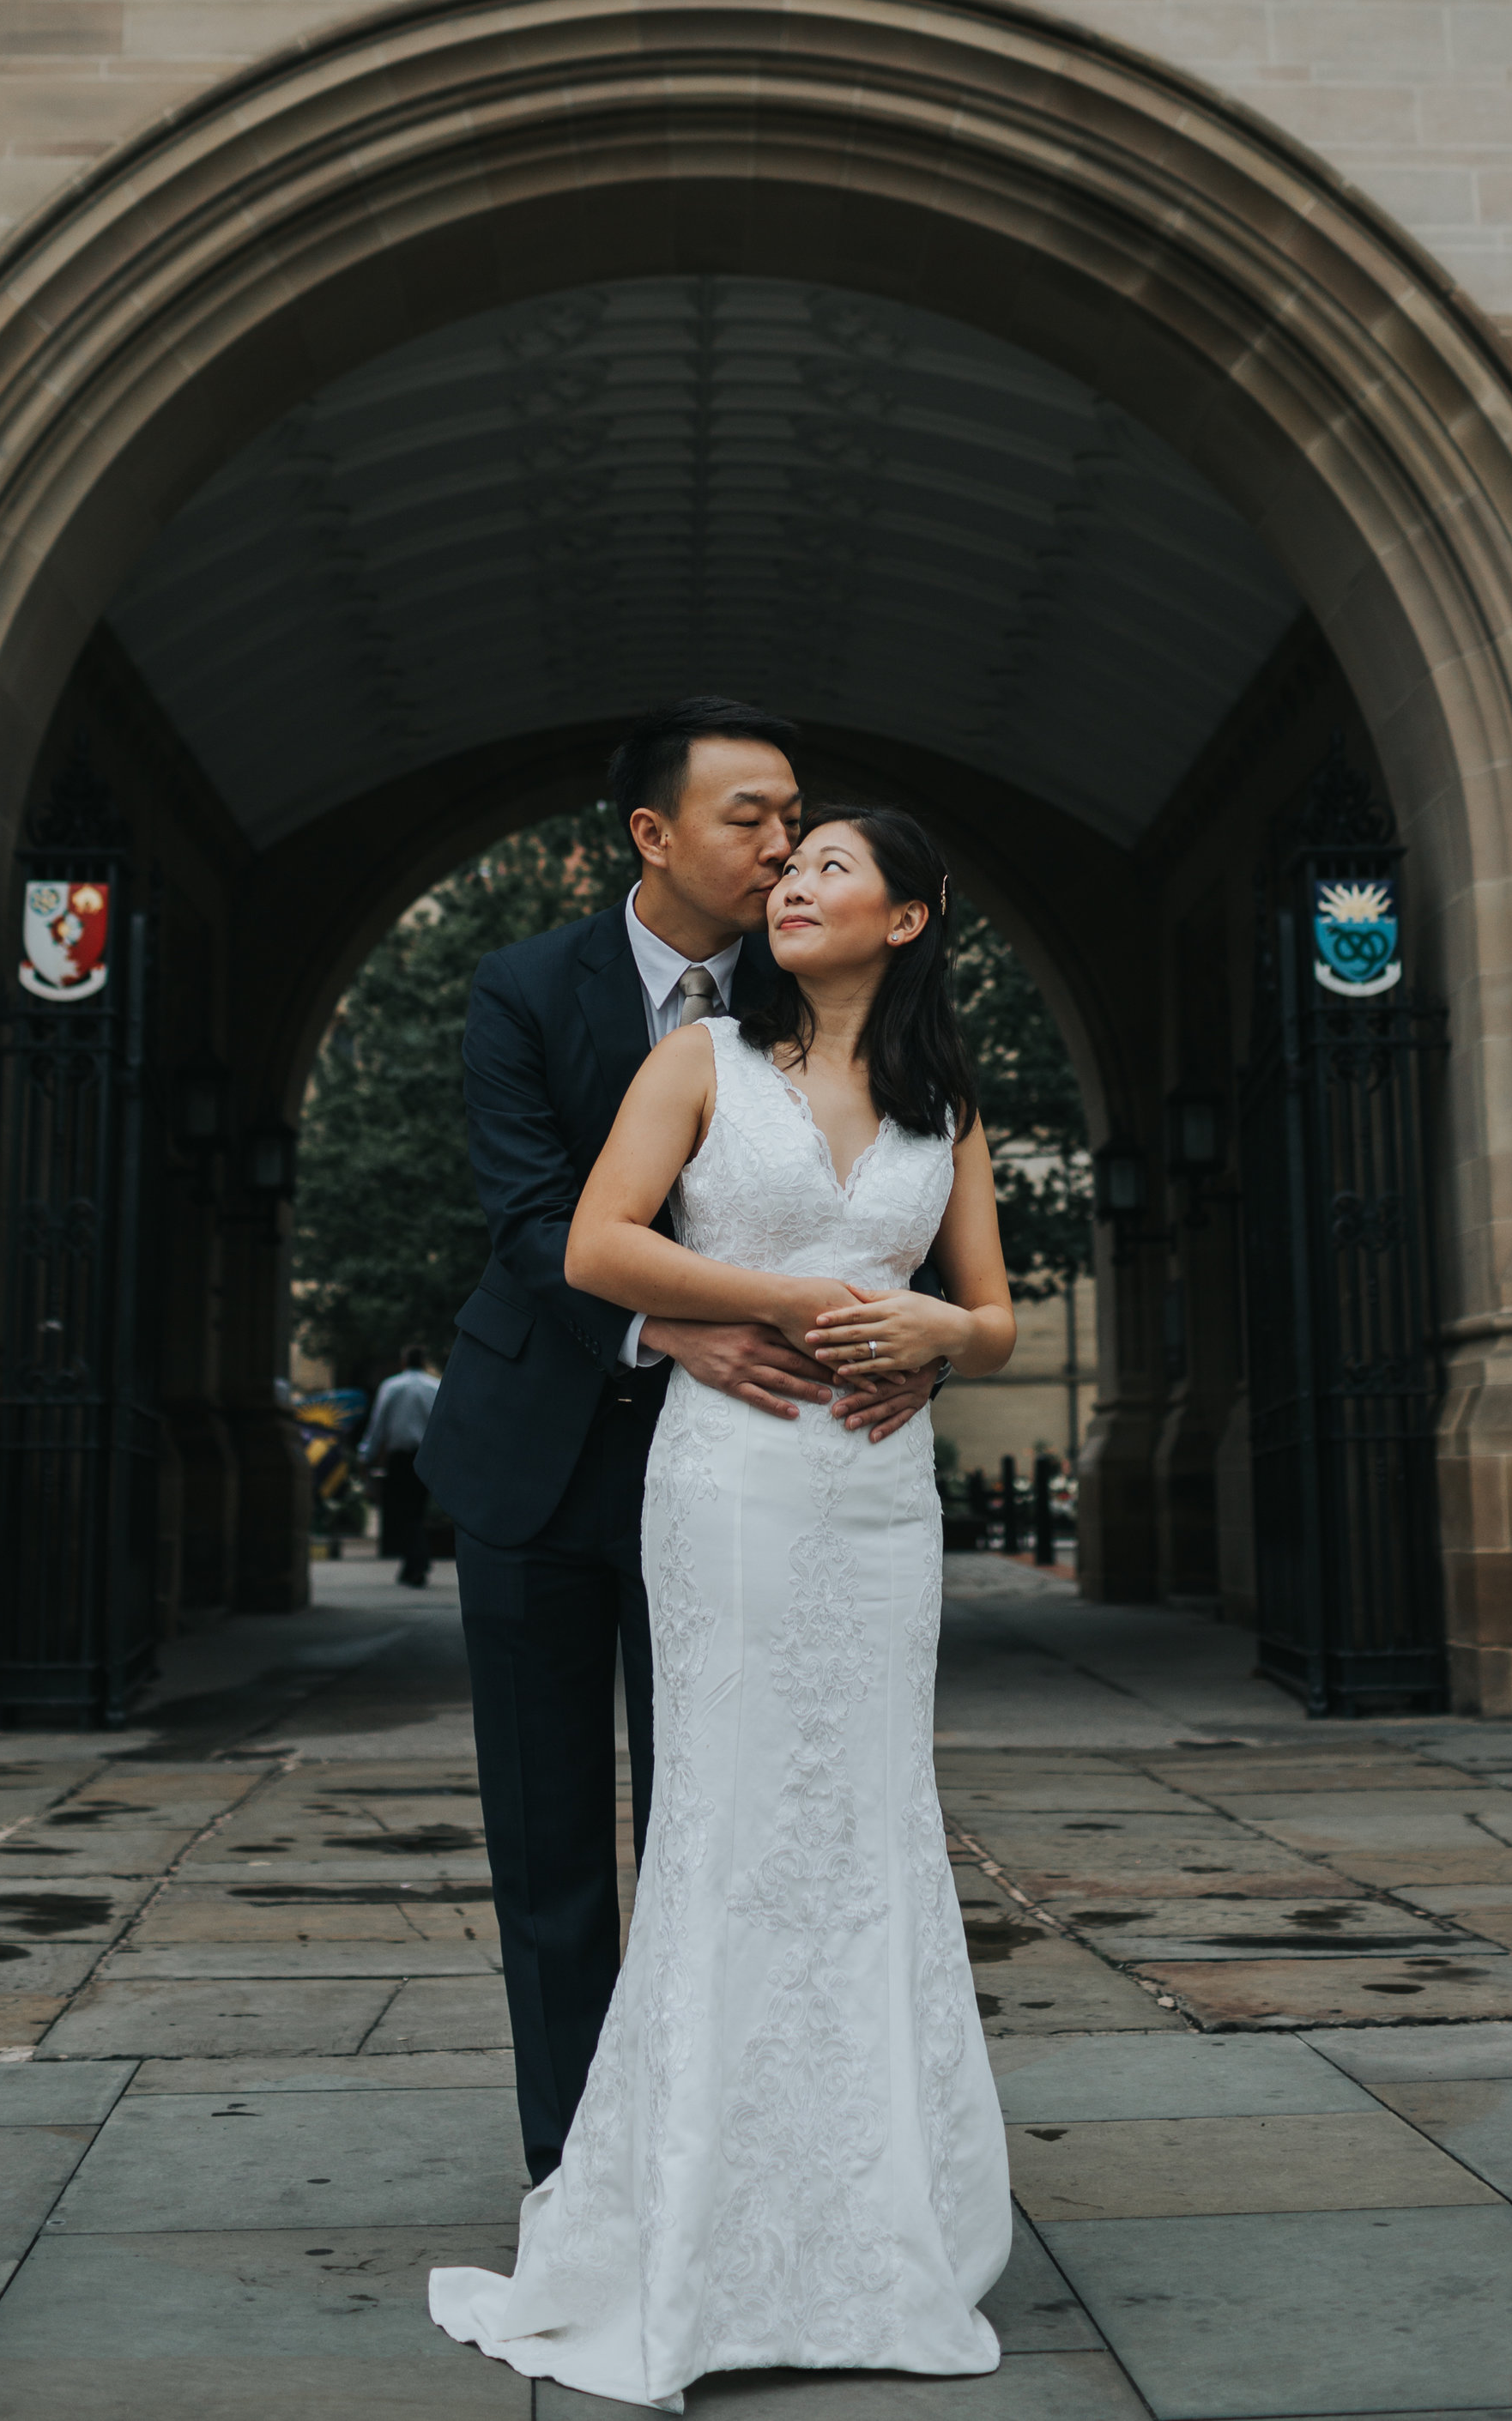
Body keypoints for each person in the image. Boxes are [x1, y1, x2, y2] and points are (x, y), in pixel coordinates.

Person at [431, 805, 1018, 2412]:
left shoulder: (946, 1101)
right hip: (734, 1486)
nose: (793, 880)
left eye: (831, 865)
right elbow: (603, 1244)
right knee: (728, 1822)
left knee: (872, 1825)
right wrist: (797, 1303)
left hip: (881, 1506)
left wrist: (934, 1338)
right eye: (789, 861)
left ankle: (868, 2213)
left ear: (909, 918)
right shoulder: (695, 1060)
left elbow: (997, 1318)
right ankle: (694, 2215)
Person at [415, 701, 934, 2190]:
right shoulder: (524, 988)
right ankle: (583, 2172)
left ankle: (741, 2148)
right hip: (541, 1461)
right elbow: (531, 1223)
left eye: (798, 822)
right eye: (752, 819)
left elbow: (881, 1197)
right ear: (654, 836)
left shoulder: (822, 976)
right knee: (555, 1845)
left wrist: (906, 1348)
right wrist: (666, 1330)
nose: (785, 848)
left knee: (738, 1822)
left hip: (757, 1478)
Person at [360, 1349, 438, 1584]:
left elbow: (378, 1425)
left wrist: (366, 1455)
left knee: (403, 1512)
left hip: (400, 1459)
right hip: (426, 1458)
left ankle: (416, 1561)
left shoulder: (391, 1387)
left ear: (403, 1362)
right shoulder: (435, 1387)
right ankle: (414, 1562)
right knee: (417, 1510)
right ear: (424, 1362)